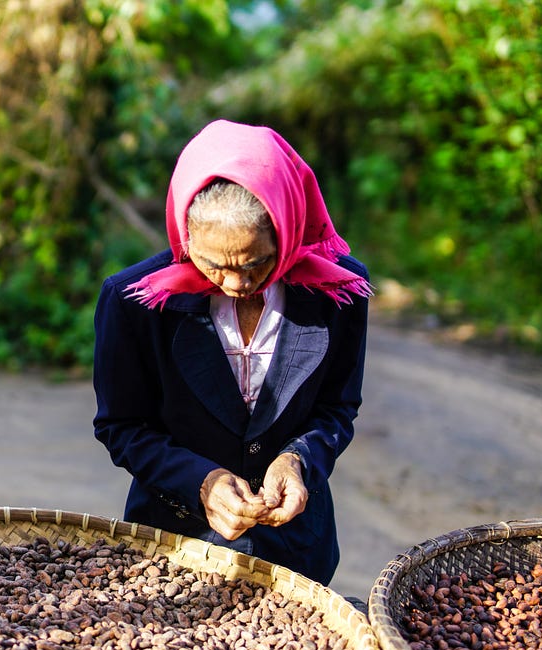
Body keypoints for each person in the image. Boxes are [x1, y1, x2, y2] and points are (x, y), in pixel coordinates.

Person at [92, 120, 372, 584]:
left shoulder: (338, 291)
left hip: (296, 548)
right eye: (214, 265)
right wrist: (201, 481)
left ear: (287, 228)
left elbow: (337, 408)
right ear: (185, 237)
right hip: (175, 544)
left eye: (258, 263)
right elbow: (122, 426)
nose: (237, 283)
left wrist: (297, 461)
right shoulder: (134, 302)